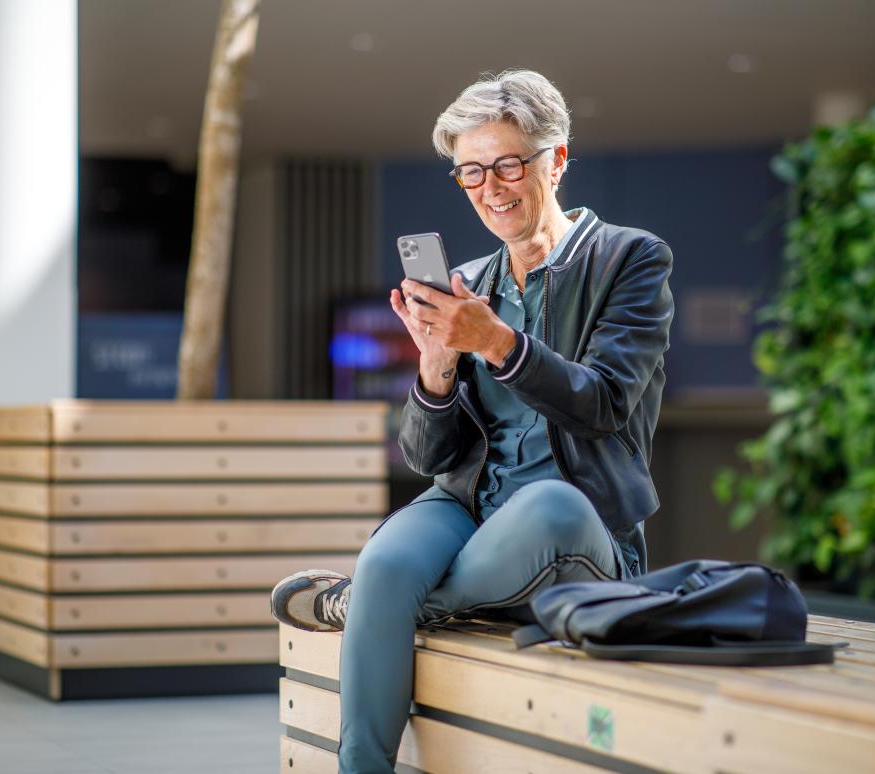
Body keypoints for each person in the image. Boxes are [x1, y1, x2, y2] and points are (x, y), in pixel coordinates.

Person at [271, 69, 673, 772]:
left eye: (508, 164)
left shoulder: (628, 259)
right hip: (470, 506)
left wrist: (493, 342)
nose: (491, 187)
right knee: (389, 557)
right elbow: (429, 458)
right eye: (471, 172)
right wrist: (434, 368)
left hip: (578, 523)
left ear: (557, 160)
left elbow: (604, 403)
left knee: (542, 506)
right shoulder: (472, 282)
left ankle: (368, 604)